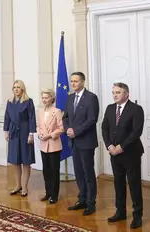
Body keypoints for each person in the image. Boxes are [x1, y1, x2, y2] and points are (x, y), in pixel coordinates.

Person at [101, 82, 145, 229]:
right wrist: (109, 146)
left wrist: (121, 147)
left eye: (118, 92)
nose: (115, 95)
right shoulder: (110, 108)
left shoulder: (136, 109)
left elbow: (136, 132)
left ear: (126, 94)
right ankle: (120, 212)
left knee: (134, 185)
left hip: (131, 153)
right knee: (118, 183)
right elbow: (104, 128)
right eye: (113, 92)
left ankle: (137, 215)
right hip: (113, 153)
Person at [62, 72, 99, 215]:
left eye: (76, 81)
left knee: (88, 173)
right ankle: (82, 199)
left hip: (86, 142)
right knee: (78, 172)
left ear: (83, 82)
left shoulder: (91, 98)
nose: (73, 84)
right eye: (71, 81)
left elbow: (92, 120)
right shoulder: (70, 98)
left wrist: (76, 131)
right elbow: (65, 118)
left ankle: (91, 203)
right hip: (73, 142)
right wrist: (68, 129)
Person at [3, 79, 37, 197]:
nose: (16, 89)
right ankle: (18, 185)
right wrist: (6, 131)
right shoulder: (10, 102)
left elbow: (32, 118)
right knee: (15, 161)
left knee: (26, 161)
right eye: (14, 87)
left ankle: (25, 187)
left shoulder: (28, 101)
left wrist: (31, 133)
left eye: (18, 87)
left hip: (25, 132)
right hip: (13, 132)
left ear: (22, 89)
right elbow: (6, 117)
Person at [36, 89, 64, 204]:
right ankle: (48, 193)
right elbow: (38, 126)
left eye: (46, 97)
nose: (44, 100)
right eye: (43, 97)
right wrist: (39, 134)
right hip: (43, 145)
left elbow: (61, 128)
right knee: (46, 171)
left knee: (54, 171)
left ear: (52, 98)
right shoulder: (40, 111)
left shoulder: (57, 111)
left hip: (54, 145)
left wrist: (49, 135)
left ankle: (54, 195)